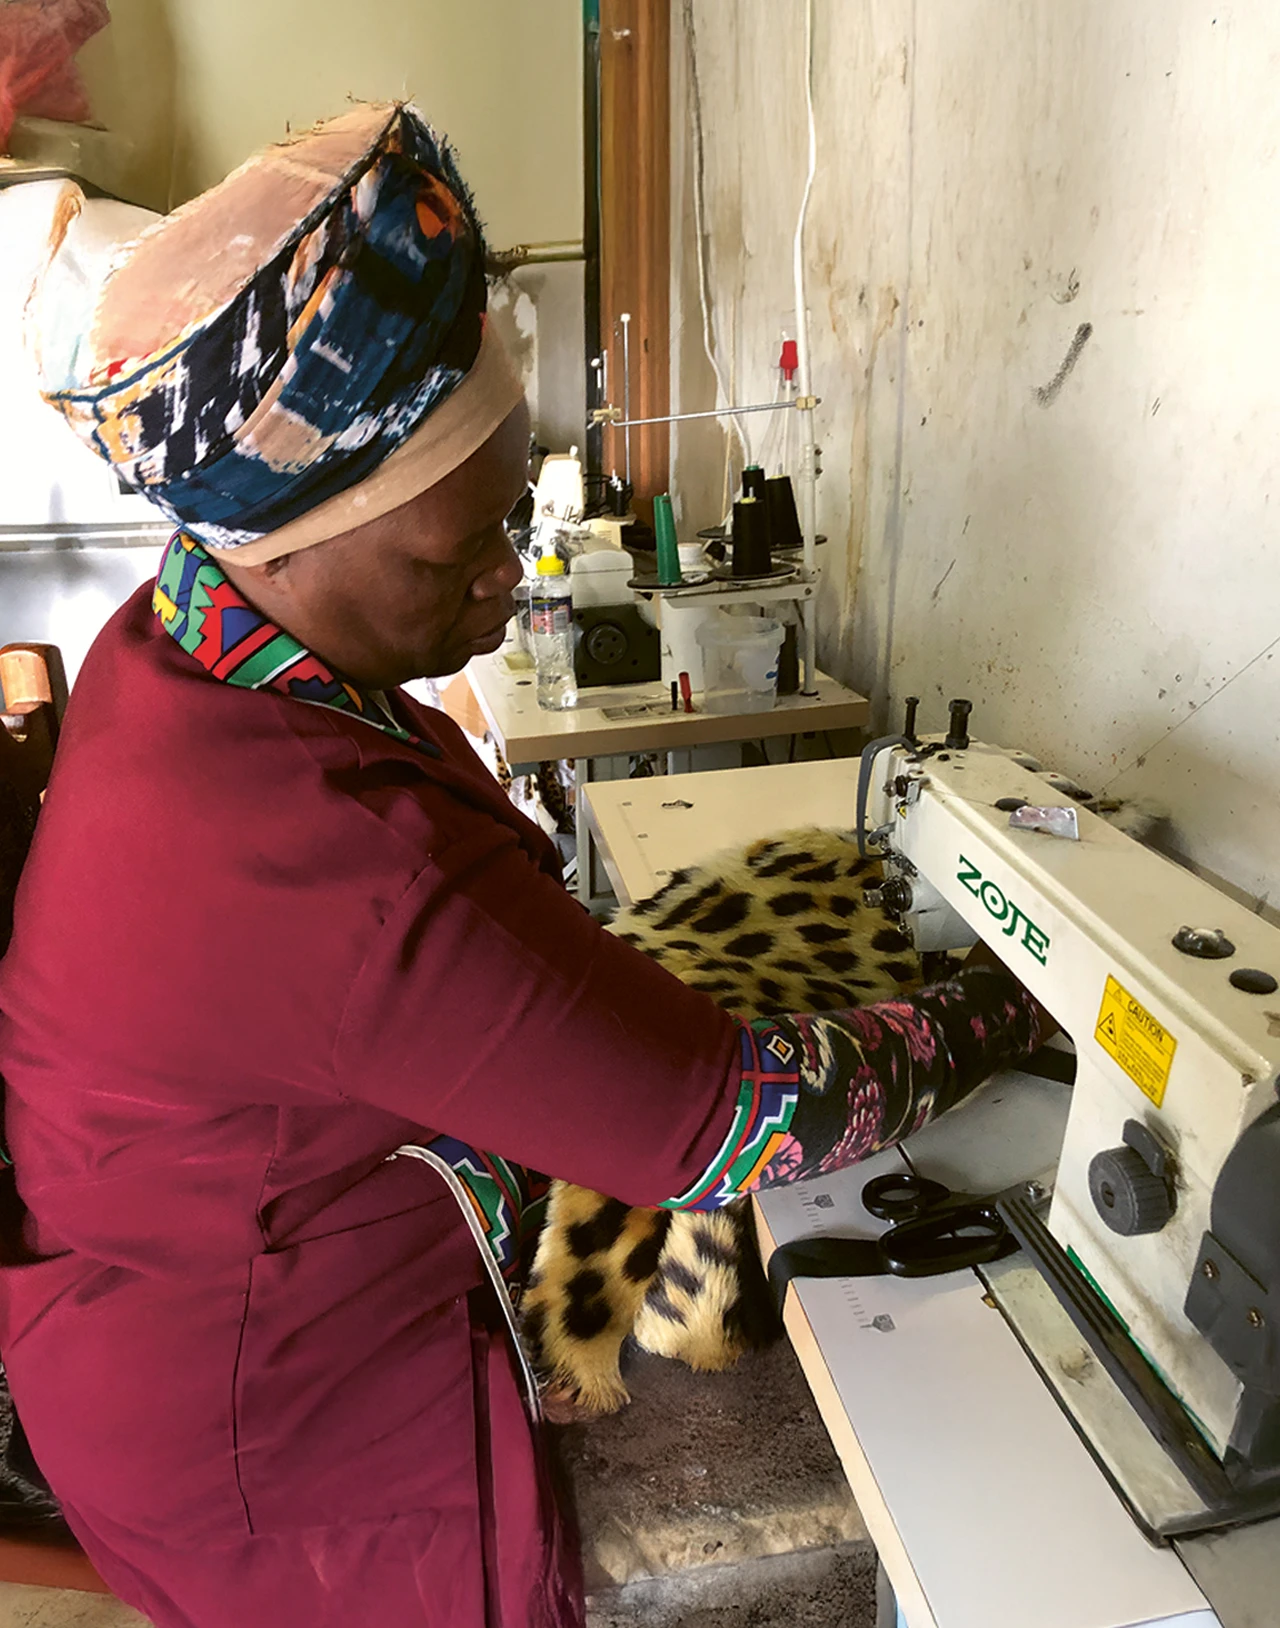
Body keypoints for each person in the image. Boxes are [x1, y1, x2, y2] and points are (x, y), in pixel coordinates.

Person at [0, 104, 1053, 1628]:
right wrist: (1008, 1015)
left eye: (514, 512)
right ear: (284, 539)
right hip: (273, 1457)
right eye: (459, 550)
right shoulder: (320, 862)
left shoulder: (181, 644)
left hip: (163, 1308)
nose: (511, 575)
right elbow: (730, 1128)